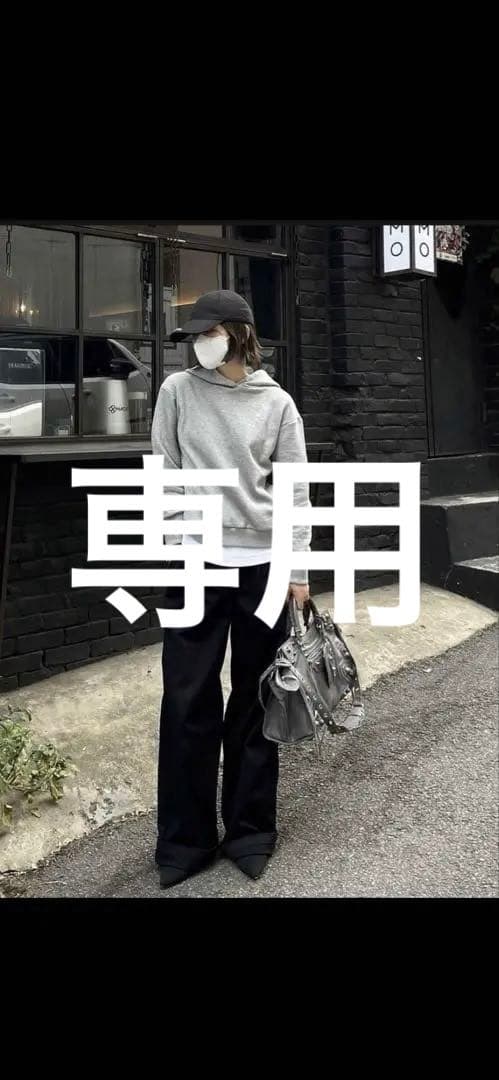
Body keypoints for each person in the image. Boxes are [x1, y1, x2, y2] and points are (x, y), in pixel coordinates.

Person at [151, 289, 312, 888]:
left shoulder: (277, 404)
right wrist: (176, 546)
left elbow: (294, 489)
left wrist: (298, 571)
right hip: (194, 563)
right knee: (186, 699)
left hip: (262, 566)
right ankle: (183, 842)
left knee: (255, 699)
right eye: (195, 336)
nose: (199, 344)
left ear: (239, 334)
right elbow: (164, 469)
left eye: (208, 333)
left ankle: (249, 832)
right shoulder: (177, 391)